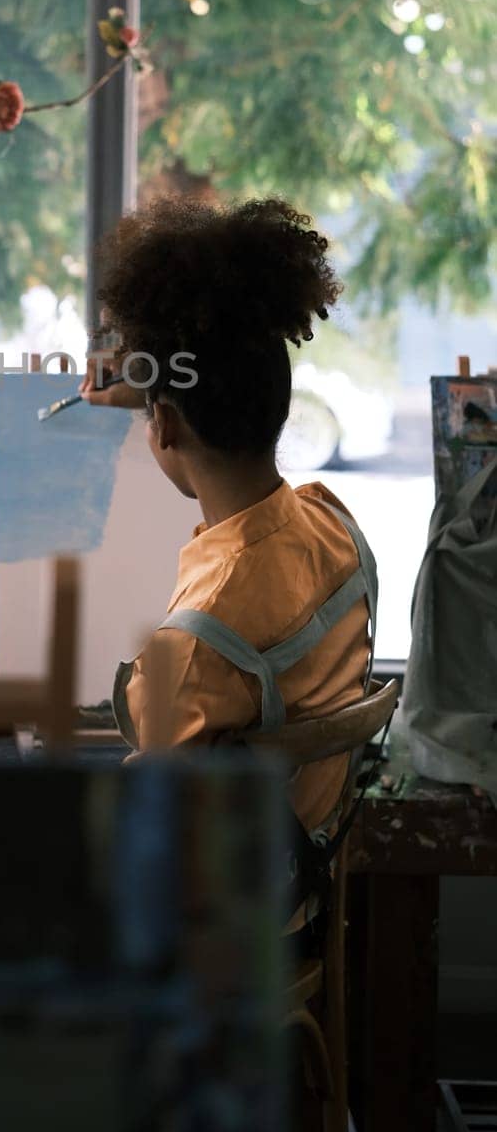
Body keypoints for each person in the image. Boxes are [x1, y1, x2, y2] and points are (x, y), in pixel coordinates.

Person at [83, 196, 374, 835]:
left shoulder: (195, 646)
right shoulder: (334, 527)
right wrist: (159, 391)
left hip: (214, 927)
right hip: (301, 892)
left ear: (161, 425)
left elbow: (142, 835)